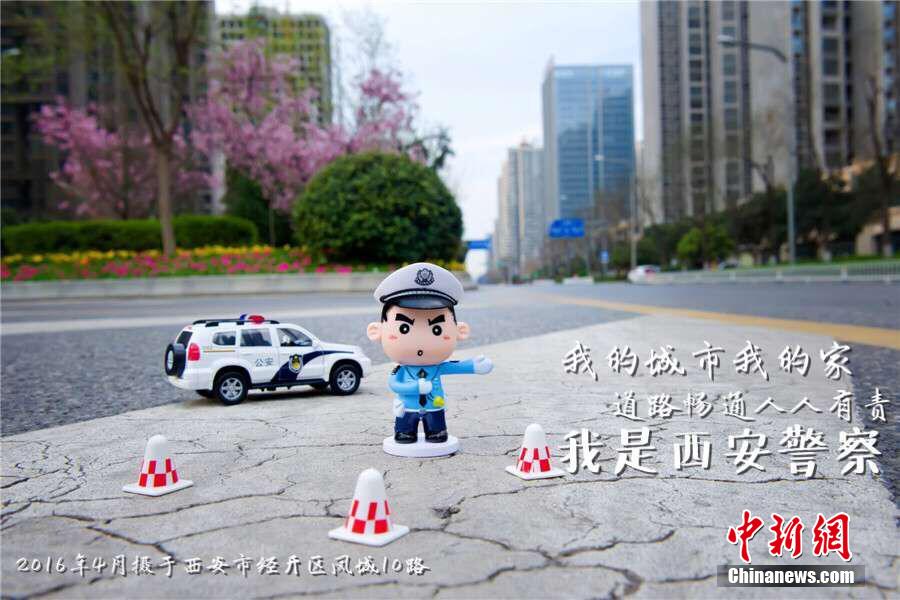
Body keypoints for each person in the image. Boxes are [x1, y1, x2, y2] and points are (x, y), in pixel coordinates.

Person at [367, 262, 492, 444]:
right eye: (403, 328)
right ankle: (404, 432)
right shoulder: (400, 370)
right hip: (407, 408)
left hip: (434, 407)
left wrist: (474, 366)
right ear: (376, 332)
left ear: (460, 331)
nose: (420, 341)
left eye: (437, 330)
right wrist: (415, 388)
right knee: (405, 430)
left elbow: (454, 367)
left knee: (437, 430)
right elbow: (394, 384)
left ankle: (436, 431)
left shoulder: (438, 367)